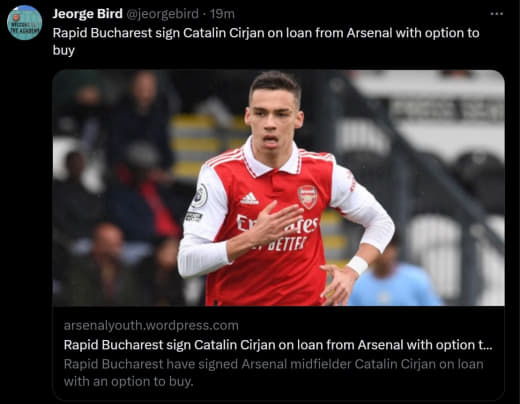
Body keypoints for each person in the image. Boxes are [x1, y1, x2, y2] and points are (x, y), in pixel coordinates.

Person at [177, 71, 395, 306]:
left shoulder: (324, 171)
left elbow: (382, 223)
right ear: (248, 116)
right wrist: (251, 239)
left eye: (281, 114)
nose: (270, 124)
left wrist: (352, 271)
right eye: (261, 113)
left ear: (298, 119)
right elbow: (187, 262)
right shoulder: (220, 173)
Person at [348, 233, 443, 306]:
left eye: (388, 247)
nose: (383, 252)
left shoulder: (417, 278)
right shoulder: (356, 284)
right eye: (377, 248)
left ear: (396, 249)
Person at [61, 223, 139, 306]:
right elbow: (78, 300)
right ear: (96, 245)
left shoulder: (124, 269)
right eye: (109, 245)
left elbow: (132, 300)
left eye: (118, 244)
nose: (115, 250)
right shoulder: (79, 269)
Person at [135, 237, 185, 306]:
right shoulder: (142, 270)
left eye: (175, 253)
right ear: (158, 251)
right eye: (168, 252)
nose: (172, 257)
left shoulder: (180, 274)